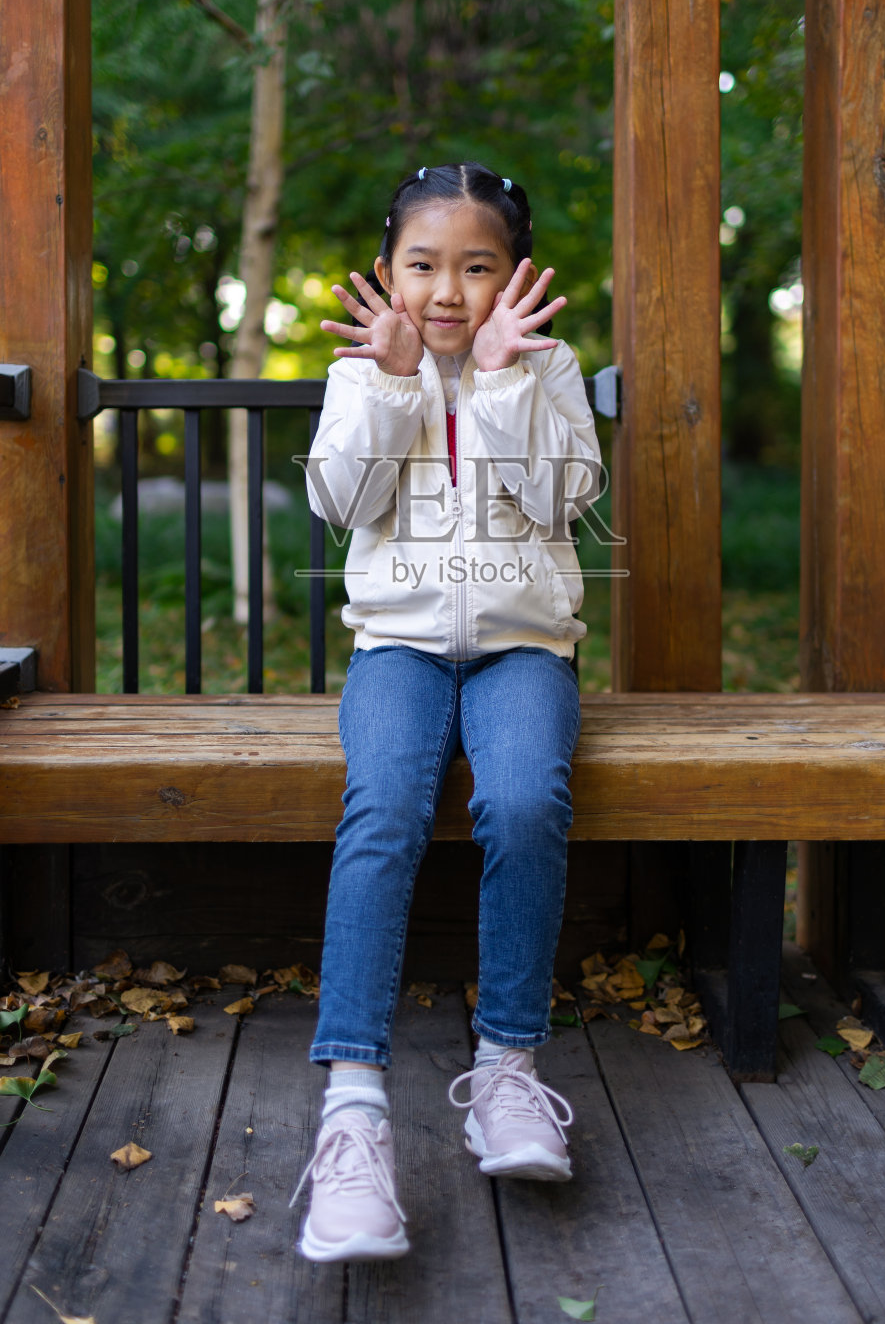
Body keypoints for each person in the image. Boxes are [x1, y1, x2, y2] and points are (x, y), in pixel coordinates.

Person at [290, 162, 600, 1263]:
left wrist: (510, 385)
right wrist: (386, 387)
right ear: (388, 273)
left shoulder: (550, 367)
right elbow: (340, 505)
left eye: (477, 266)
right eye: (423, 264)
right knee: (382, 807)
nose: (448, 290)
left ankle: (508, 1070)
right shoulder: (363, 371)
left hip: (522, 649)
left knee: (520, 799)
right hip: (399, 650)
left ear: (515, 277)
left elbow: (565, 499)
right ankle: (354, 1108)